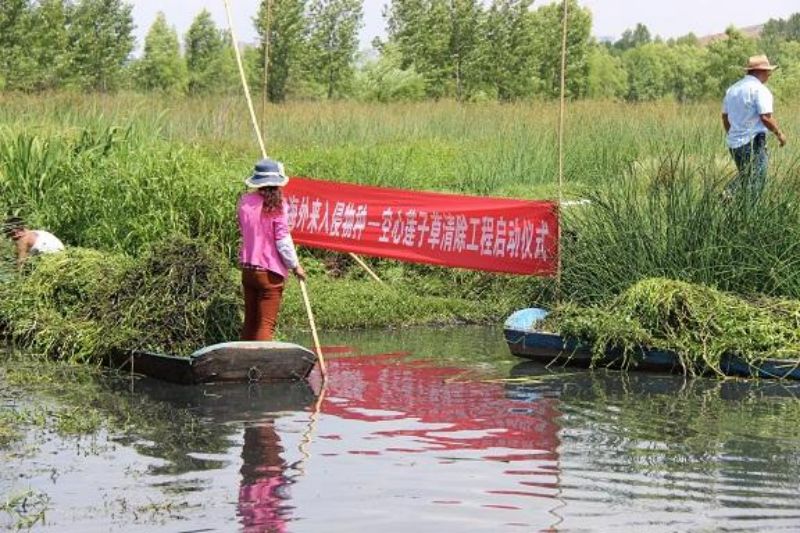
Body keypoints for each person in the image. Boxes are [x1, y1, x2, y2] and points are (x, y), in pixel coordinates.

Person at [238, 158, 306, 341]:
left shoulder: (244, 202)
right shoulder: (278, 206)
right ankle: (262, 367)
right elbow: (282, 241)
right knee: (266, 325)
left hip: (248, 270)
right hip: (269, 273)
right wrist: (295, 266)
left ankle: (245, 363)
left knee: (250, 323)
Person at [722, 54, 787, 199]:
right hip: (753, 141)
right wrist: (780, 134)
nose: (769, 75)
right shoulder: (760, 90)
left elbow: (725, 117)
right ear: (761, 71)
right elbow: (766, 118)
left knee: (747, 177)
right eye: (768, 71)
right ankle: (730, 193)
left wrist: (732, 134)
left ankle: (736, 206)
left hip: (734, 144)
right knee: (757, 179)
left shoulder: (732, 90)